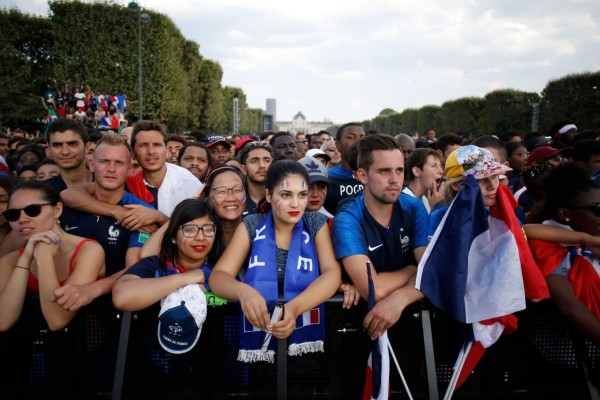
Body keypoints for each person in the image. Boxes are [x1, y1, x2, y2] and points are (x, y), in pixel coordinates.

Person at [209, 160, 341, 362]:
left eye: (302, 195)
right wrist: (244, 292)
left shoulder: (316, 223)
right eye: (286, 195)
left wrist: (295, 307)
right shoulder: (251, 225)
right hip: (261, 343)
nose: (296, 204)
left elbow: (332, 273)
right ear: (269, 195)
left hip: (308, 345)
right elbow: (219, 276)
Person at [332, 134, 428, 398]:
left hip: (411, 324)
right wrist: (412, 271)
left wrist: (401, 298)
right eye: (384, 171)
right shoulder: (348, 218)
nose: (395, 179)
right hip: (360, 333)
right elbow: (372, 287)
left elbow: (432, 271)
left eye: (399, 170)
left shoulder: (413, 207)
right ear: (362, 175)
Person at [0, 181, 105, 331]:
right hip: (30, 350)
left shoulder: (89, 251)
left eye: (32, 210)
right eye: (13, 214)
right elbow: (3, 322)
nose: (22, 220)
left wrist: (44, 257)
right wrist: (25, 260)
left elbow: (57, 319)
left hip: (88, 347)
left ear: (57, 210)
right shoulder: (11, 261)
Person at [526, 163, 600, 343]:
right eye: (597, 209)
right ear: (565, 213)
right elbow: (570, 307)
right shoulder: (547, 246)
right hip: (577, 351)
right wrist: (585, 239)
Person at [428, 145, 512, 237]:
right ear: (457, 185)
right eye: (480, 179)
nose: (492, 186)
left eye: (494, 176)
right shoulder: (440, 219)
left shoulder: (504, 217)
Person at [324, 123, 365, 214]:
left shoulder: (374, 177)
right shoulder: (326, 177)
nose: (358, 141)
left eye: (362, 137)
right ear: (338, 145)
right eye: (351, 137)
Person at [402, 148, 444, 214]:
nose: (441, 171)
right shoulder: (404, 202)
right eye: (433, 166)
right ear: (417, 171)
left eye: (440, 166)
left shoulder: (425, 199)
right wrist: (434, 208)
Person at [239, 141, 274, 215]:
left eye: (267, 161)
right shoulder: (237, 200)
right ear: (243, 169)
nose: (262, 165)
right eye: (254, 161)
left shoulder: (281, 199)